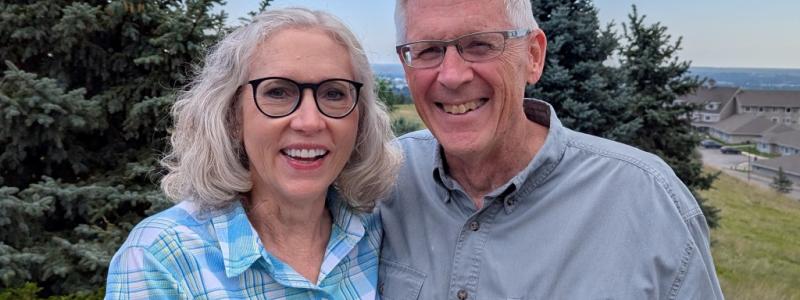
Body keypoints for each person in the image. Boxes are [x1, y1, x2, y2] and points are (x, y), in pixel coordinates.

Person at [378, 0, 724, 299]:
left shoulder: (647, 201)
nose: (451, 76)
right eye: (427, 50)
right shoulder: (381, 182)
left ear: (533, 56)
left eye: (480, 45)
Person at [105, 7, 400, 299]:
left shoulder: (381, 230)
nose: (309, 121)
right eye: (278, 92)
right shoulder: (162, 258)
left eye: (334, 93)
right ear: (233, 116)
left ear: (360, 119)